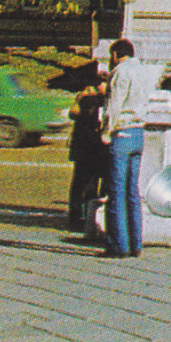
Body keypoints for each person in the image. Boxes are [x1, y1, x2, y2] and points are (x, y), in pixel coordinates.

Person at [99, 38, 159, 259]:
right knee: (132, 192)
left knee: (116, 191)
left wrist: (106, 132)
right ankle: (136, 243)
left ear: (115, 55)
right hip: (138, 132)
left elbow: (114, 106)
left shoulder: (121, 73)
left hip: (122, 132)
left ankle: (118, 245)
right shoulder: (143, 71)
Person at [66, 81, 108, 234]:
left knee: (93, 184)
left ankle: (90, 215)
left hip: (97, 147)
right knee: (81, 183)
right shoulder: (84, 99)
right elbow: (73, 113)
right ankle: (76, 216)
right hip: (84, 147)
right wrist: (81, 98)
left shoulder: (105, 100)